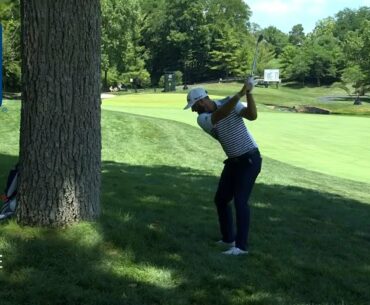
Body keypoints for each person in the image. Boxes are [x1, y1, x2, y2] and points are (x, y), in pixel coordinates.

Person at [183, 78, 262, 256]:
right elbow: (220, 115)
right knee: (221, 199)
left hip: (249, 159)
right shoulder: (203, 118)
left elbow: (252, 115)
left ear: (202, 101)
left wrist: (248, 93)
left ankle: (241, 247)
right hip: (234, 161)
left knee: (240, 201)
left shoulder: (229, 102)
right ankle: (228, 238)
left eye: (194, 106)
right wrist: (240, 93)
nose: (193, 110)